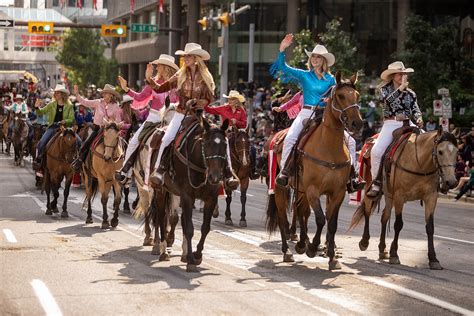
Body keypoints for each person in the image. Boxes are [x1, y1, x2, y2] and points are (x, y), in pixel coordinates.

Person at [145, 43, 239, 189]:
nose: (185, 58)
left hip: (199, 115)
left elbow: (210, 97)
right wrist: (149, 78)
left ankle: (228, 173)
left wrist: (199, 102)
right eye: (185, 56)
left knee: (221, 138)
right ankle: (159, 170)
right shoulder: (180, 74)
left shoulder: (205, 76)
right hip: (181, 113)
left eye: (188, 56)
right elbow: (160, 88)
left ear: (196, 59)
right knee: (167, 138)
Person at [271, 34, 337, 186]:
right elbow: (283, 68)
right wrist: (282, 49)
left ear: (324, 61)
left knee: (350, 141)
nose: (315, 59)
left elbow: (337, 97)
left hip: (325, 114)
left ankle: (352, 176)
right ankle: (284, 172)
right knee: (289, 139)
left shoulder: (331, 79)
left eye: (318, 57)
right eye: (313, 56)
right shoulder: (305, 75)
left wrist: (330, 100)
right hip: (307, 112)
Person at [115, 54, 179, 185]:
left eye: (159, 65)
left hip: (172, 118)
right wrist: (126, 89)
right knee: (133, 142)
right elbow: (139, 97)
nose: (157, 67)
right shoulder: (153, 82)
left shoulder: (177, 84)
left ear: (166, 67)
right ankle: (125, 172)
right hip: (153, 118)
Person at [366, 61, 423, 197]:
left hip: (409, 123)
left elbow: (416, 109)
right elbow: (386, 102)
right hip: (391, 124)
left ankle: (432, 179)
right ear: (392, 76)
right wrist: (401, 89)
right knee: (377, 151)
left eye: (404, 74)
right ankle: (376, 183)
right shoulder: (383, 90)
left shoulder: (411, 94)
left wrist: (419, 118)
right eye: (399, 74)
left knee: (431, 143)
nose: (402, 76)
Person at [205, 90, 259, 179]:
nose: (230, 101)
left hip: (238, 134)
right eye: (229, 99)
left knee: (252, 148)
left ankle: (253, 170)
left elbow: (244, 124)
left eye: (232, 99)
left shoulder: (241, 110)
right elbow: (210, 110)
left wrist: (236, 121)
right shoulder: (223, 108)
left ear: (237, 100)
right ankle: (219, 168)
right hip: (226, 133)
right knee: (217, 144)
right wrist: (205, 102)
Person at [71, 84, 123, 171]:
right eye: (104, 93)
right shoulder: (98, 102)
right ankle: (79, 161)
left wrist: (114, 124)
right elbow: (85, 102)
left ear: (111, 95)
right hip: (97, 129)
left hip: (110, 130)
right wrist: (77, 94)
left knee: (119, 146)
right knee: (85, 144)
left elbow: (118, 121)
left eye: (106, 93)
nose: (104, 95)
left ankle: (120, 167)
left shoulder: (116, 106)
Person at [34, 85, 77, 175]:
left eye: (58, 93)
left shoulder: (69, 106)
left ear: (62, 94)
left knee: (79, 142)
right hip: (53, 127)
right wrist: (37, 107)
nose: (56, 94)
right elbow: (41, 113)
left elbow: (72, 119)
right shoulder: (51, 104)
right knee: (41, 143)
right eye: (55, 93)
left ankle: (78, 162)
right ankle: (39, 162)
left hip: (65, 128)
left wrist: (64, 121)